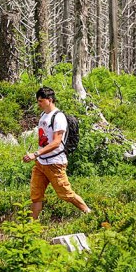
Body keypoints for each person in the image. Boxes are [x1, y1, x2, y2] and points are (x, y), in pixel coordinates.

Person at [22, 86, 91, 219]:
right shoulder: (43, 115)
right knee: (35, 196)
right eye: (38, 101)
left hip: (55, 163)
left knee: (66, 194)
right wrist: (38, 156)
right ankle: (30, 228)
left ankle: (89, 213)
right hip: (41, 163)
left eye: (41, 101)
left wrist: (35, 154)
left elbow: (56, 142)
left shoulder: (58, 118)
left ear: (50, 100)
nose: (39, 103)